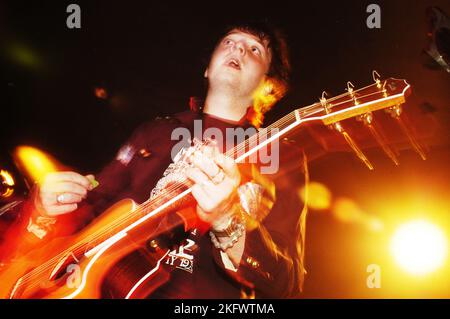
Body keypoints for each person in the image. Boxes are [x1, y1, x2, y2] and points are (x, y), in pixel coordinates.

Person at [0, 20, 307, 298]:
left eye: (254, 49)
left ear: (269, 85)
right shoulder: (155, 130)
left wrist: (228, 218)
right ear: (207, 69)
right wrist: (42, 211)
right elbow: (94, 202)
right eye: (229, 41)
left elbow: (286, 281)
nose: (238, 47)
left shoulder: (279, 153)